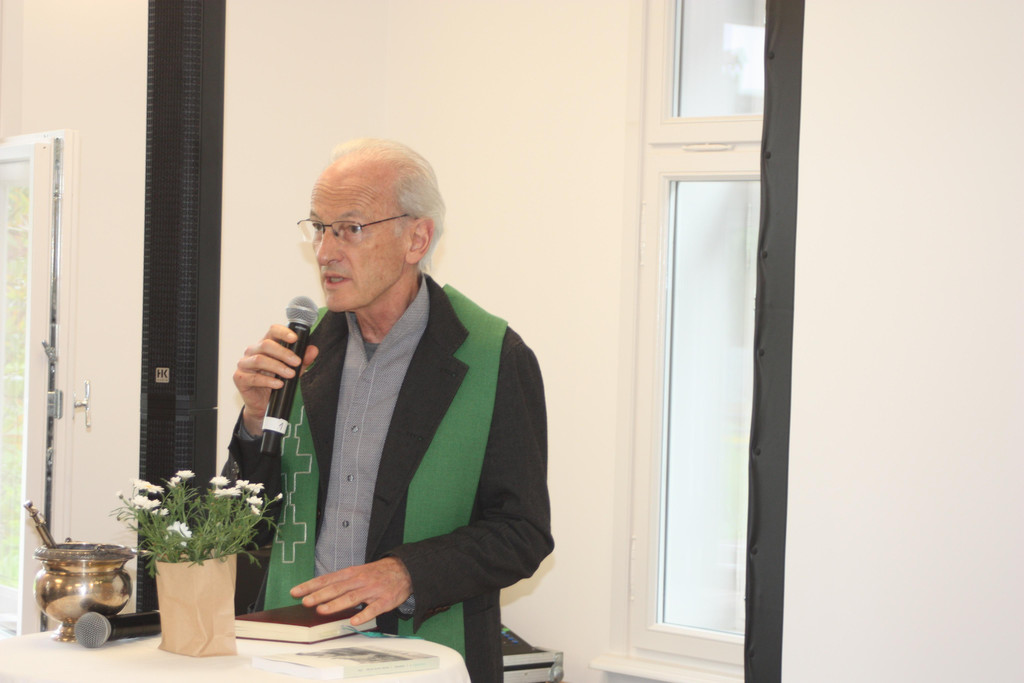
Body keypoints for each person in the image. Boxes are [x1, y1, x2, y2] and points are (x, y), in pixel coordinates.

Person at [224, 138, 553, 682]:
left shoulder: (492, 356)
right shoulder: (301, 351)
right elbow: (240, 525)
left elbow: (523, 532)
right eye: (320, 228)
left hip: (424, 658)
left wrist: (406, 573)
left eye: (350, 228)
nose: (325, 252)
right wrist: (257, 423)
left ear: (416, 239)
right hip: (296, 652)